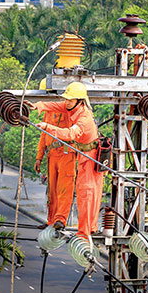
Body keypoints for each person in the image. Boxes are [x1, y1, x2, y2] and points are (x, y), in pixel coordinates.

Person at [26, 82, 106, 237]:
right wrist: (39, 105)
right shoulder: (71, 108)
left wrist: (47, 127)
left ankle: (83, 230)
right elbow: (56, 106)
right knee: (56, 190)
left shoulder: (83, 118)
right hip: (76, 156)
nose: (66, 102)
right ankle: (63, 223)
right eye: (66, 99)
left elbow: (69, 134)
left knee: (85, 193)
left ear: (80, 100)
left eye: (70, 99)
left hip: (85, 156)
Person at [33, 102, 77, 230]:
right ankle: (51, 220)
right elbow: (43, 135)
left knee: (64, 189)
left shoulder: (69, 109)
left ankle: (60, 220)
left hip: (66, 153)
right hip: (52, 154)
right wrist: (39, 157)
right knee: (52, 190)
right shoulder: (48, 112)